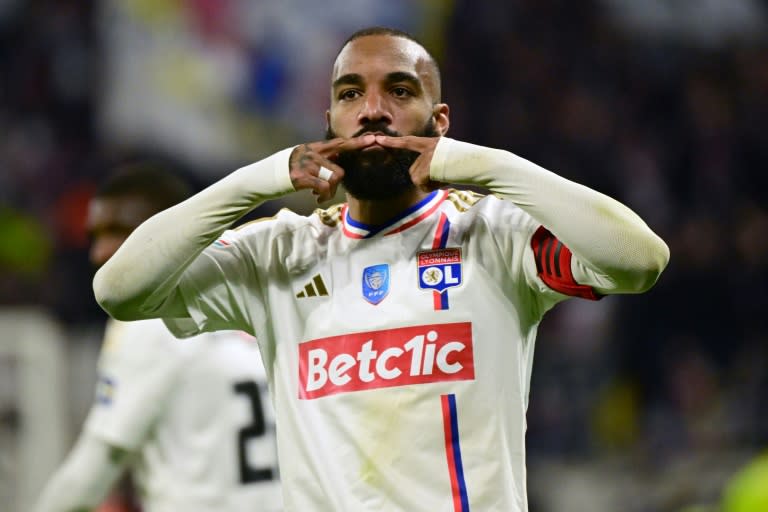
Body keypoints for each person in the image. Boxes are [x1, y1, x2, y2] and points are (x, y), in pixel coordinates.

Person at [93, 27, 670, 512]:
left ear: (439, 120)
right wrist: (259, 179)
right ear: (328, 122)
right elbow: (119, 290)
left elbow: (640, 261)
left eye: (399, 90)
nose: (373, 110)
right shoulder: (274, 254)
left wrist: (480, 164)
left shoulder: (494, 234)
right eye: (350, 94)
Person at [34, 163, 282, 512]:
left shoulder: (149, 322)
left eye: (120, 232)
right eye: (95, 237)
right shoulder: (252, 303)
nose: (100, 253)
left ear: (172, 233)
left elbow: (97, 464)